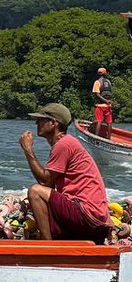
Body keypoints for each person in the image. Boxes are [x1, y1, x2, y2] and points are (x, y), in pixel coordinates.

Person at [19, 102, 110, 242]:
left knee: (35, 191)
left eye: (41, 119)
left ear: (53, 123)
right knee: (39, 195)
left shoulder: (64, 144)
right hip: (96, 222)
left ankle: (47, 246)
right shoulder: (67, 143)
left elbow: (44, 182)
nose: (37, 122)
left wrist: (27, 149)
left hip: (87, 217)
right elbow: (49, 186)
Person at [92, 66, 113, 139]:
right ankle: (109, 138)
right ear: (105, 73)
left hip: (100, 106)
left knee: (98, 121)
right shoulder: (109, 82)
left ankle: (96, 138)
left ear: (98, 74)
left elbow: (97, 94)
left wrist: (105, 101)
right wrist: (107, 102)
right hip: (108, 106)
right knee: (109, 122)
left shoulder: (97, 82)